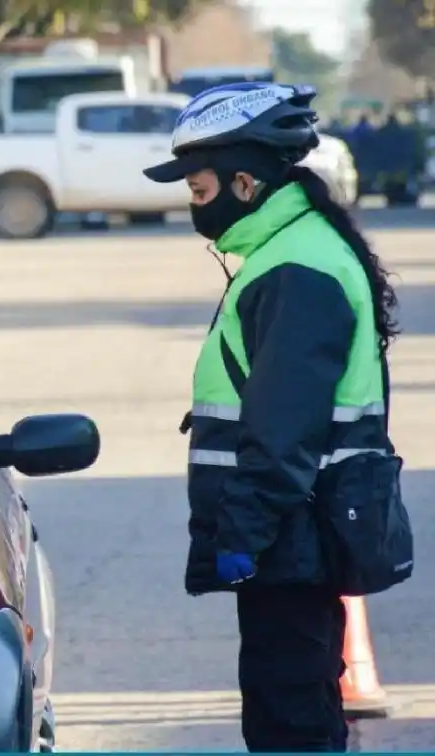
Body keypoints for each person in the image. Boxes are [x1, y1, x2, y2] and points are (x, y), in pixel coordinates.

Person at [143, 82, 400, 752]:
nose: (194, 207)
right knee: (297, 705)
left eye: (199, 190)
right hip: (294, 537)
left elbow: (284, 429)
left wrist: (243, 535)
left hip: (291, 541)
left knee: (289, 719)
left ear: (245, 184)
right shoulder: (294, 251)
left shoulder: (295, 269)